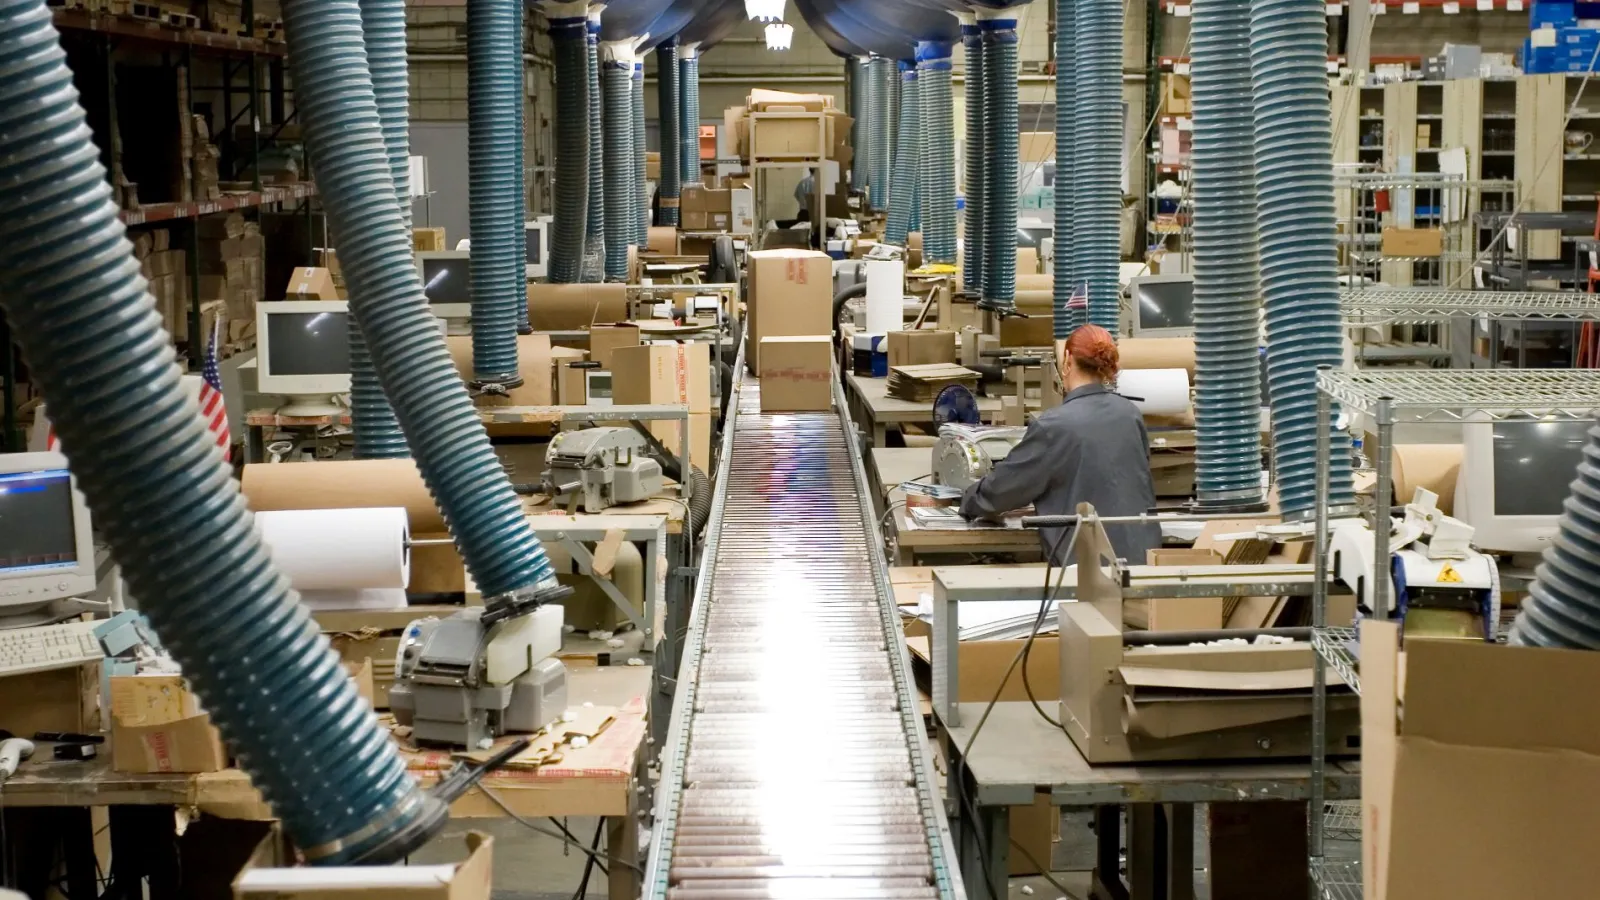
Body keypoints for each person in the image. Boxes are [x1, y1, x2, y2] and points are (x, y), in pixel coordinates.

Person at [959, 324, 1161, 565]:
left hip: (1087, 575)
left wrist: (969, 499)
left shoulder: (1053, 426)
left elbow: (1003, 491)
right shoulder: (1130, 414)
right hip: (1143, 563)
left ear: (1067, 360)